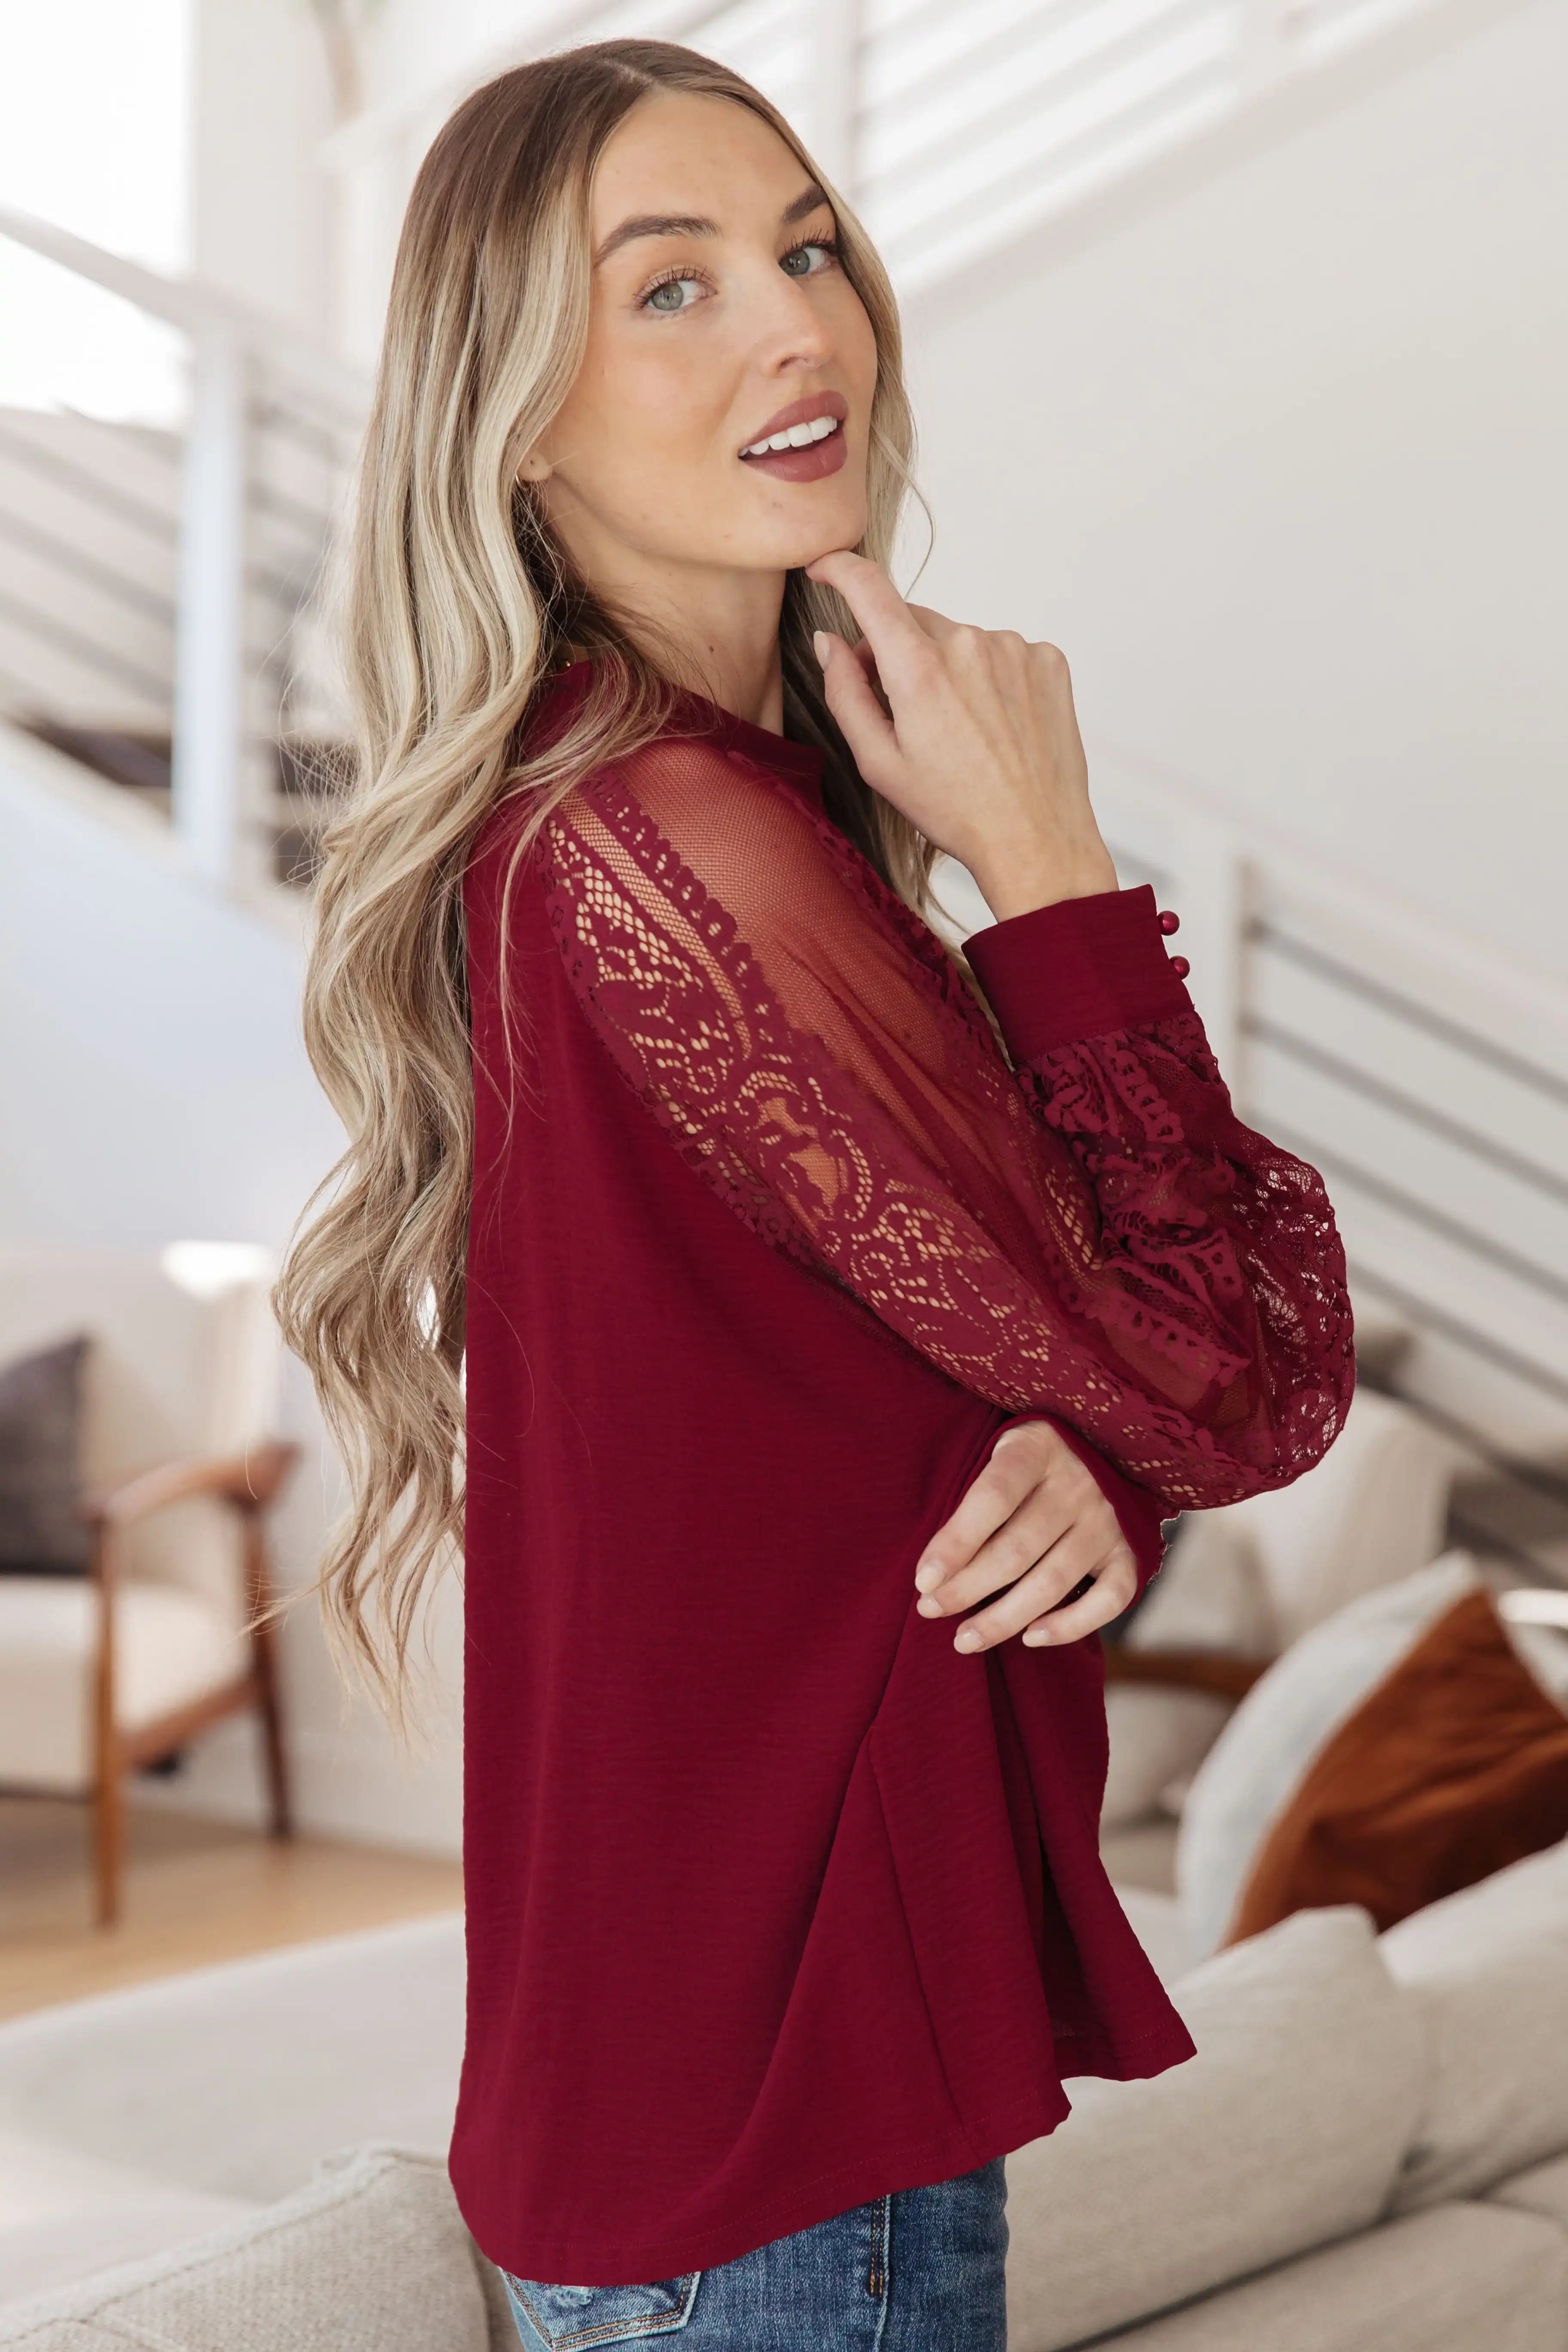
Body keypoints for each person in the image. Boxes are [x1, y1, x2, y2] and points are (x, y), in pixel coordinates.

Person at [274, 36, 1354, 2352]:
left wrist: (1077, 1452)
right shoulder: (673, 846)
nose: (797, 326)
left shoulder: (648, 809)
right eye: (670, 286)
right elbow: (1248, 1369)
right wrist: (1053, 865)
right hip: (770, 2151)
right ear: (516, 412)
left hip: (715, 2113)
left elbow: (1001, 1381)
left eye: (807, 251)